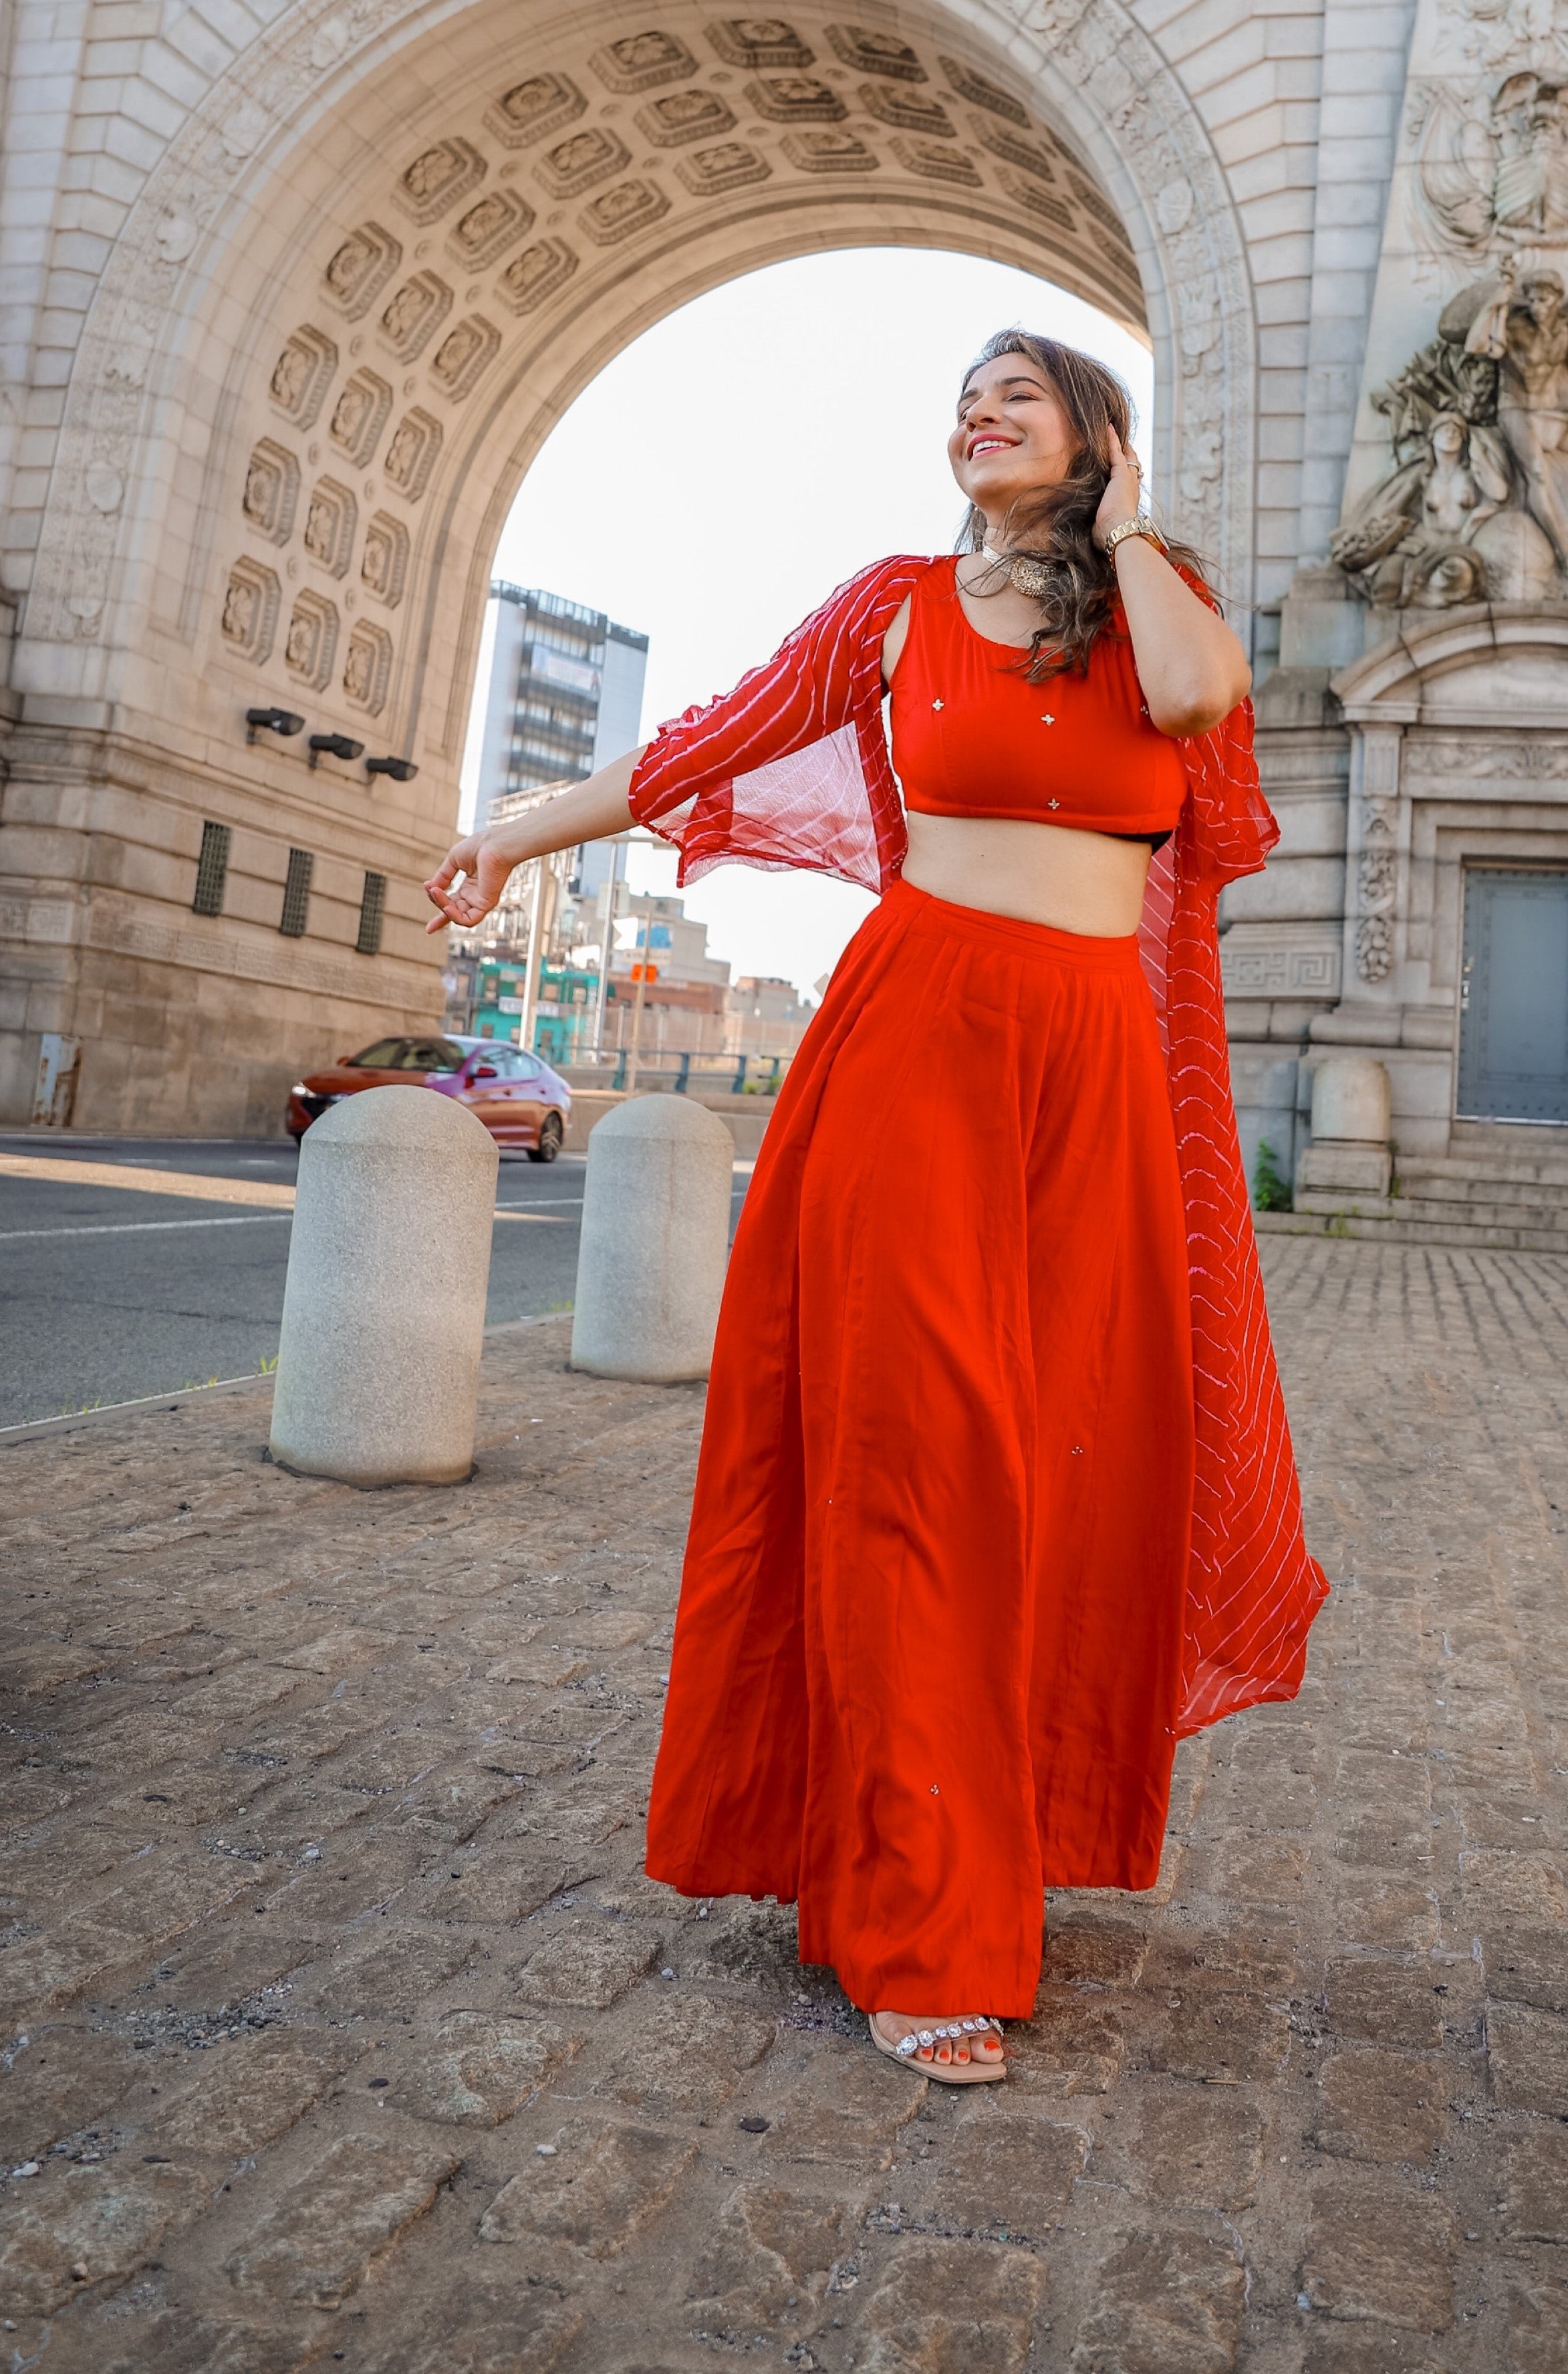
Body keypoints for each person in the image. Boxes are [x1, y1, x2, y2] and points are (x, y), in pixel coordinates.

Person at [424, 329, 1327, 2087]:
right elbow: (711, 741)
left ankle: (963, 1845)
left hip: (1092, 1084)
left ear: (1094, 443)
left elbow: (1211, 709)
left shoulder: (1161, 607)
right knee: (921, 1472)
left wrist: (1132, 533)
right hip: (916, 1048)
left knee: (1057, 1472)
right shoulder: (893, 608)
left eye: (1025, 394)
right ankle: (924, 1929)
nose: (980, 411)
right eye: (965, 396)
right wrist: (519, 834)